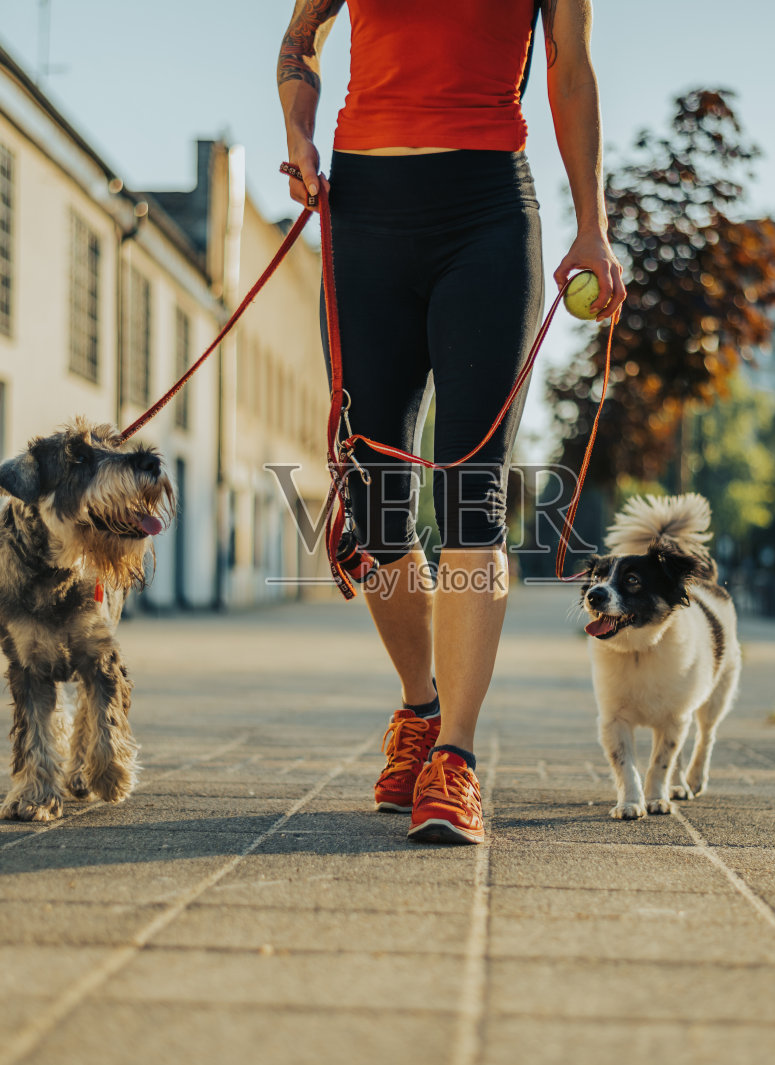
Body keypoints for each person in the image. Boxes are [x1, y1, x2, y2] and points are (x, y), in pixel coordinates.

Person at [277, 0, 624, 845]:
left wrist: (593, 224)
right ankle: (420, 708)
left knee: (474, 492)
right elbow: (301, 38)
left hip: (486, 214)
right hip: (363, 212)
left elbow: (569, 68)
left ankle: (456, 757)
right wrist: (298, 135)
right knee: (376, 499)